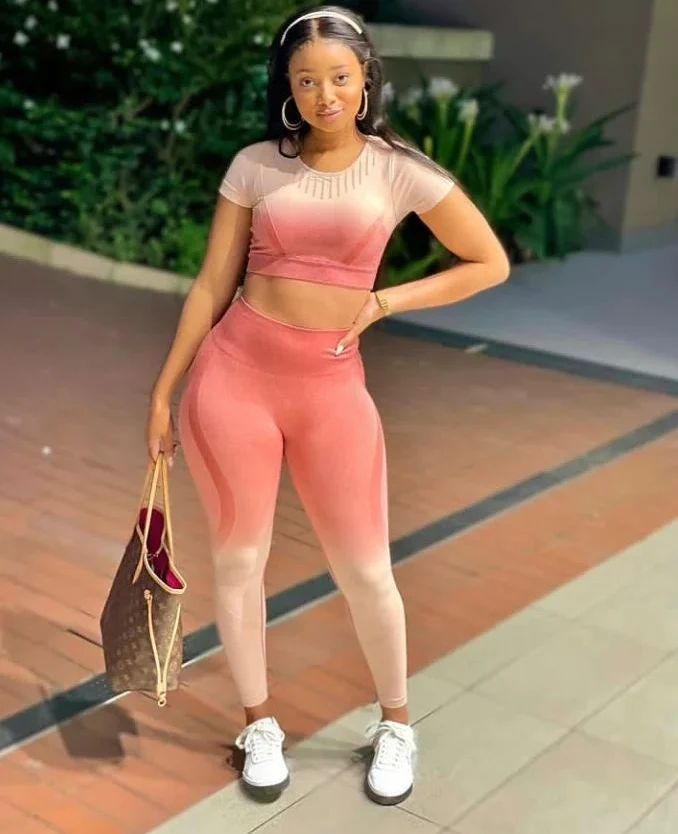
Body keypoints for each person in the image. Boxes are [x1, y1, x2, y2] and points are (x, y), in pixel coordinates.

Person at [146, 2, 510, 807]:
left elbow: (487, 262)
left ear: (365, 77)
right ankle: (259, 724)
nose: (324, 95)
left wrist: (385, 302)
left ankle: (396, 724)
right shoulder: (256, 166)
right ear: (288, 86)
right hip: (233, 380)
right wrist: (165, 391)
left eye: (339, 77)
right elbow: (210, 286)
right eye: (306, 80)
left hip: (332, 392)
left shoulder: (398, 171)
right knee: (238, 562)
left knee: (366, 571)